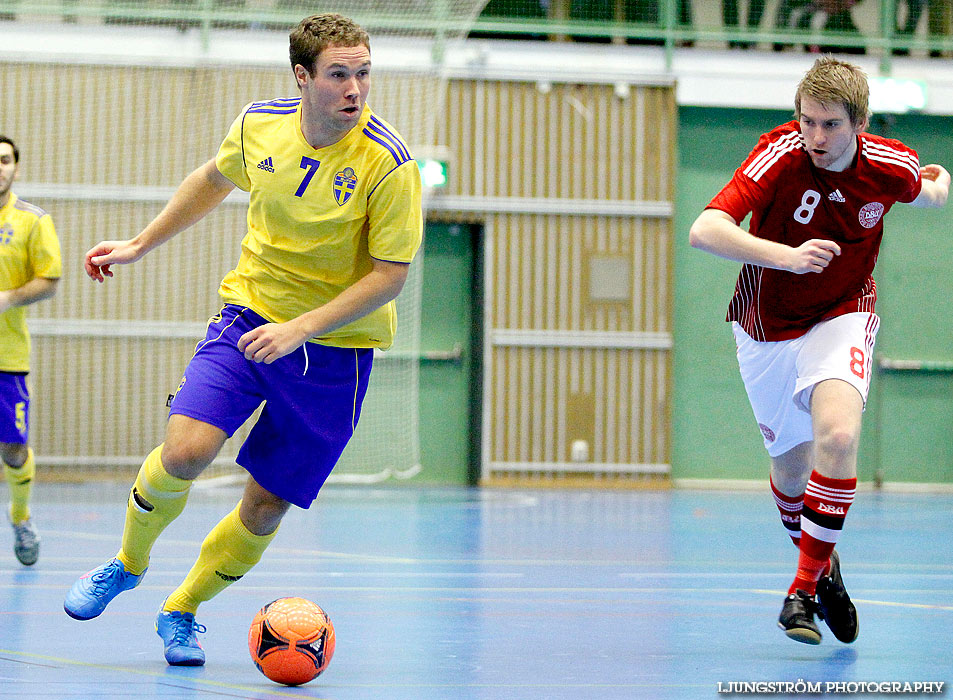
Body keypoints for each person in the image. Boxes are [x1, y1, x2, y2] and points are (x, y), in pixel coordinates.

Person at [63, 13, 422, 666]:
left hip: (332, 354)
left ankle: (182, 609)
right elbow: (212, 179)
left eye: (364, 73)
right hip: (249, 319)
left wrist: (301, 330)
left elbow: (389, 277)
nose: (355, 89)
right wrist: (141, 243)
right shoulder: (260, 124)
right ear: (302, 77)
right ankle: (127, 563)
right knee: (185, 451)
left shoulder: (390, 166)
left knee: (265, 504)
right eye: (339, 74)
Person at [689, 57, 949, 645]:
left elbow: (927, 191)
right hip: (765, 326)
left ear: (859, 123)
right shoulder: (780, 154)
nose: (816, 137)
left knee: (837, 436)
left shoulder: (888, 164)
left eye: (830, 124)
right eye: (807, 121)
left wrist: (941, 184)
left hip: (843, 312)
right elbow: (705, 229)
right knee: (789, 468)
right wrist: (787, 255)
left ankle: (801, 590)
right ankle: (826, 568)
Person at [0, 135, 62, 567]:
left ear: (15, 167)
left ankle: (20, 517)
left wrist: (5, 299)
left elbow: (49, 280)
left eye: (4, 160)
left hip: (8, 357)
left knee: (12, 450)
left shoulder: (32, 221)